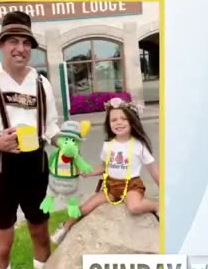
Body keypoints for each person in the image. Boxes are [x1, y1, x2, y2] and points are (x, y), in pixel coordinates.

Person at [0, 10, 63, 269]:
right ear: (1, 44)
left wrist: (67, 144)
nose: (20, 48)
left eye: (25, 42)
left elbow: (52, 127)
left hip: (36, 165)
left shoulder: (41, 83)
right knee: (2, 244)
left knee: (40, 233)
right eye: (13, 41)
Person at [51, 98, 160, 245]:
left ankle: (157, 206)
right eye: (113, 120)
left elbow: (154, 170)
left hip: (131, 185)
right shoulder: (108, 146)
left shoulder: (139, 146)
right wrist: (89, 173)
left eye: (123, 119)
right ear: (108, 124)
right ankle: (65, 227)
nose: (118, 123)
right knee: (85, 208)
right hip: (110, 186)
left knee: (134, 206)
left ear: (132, 122)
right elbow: (104, 167)